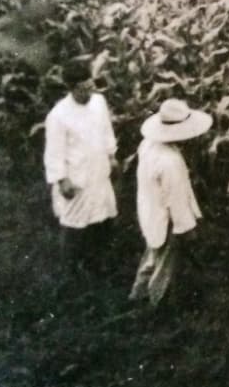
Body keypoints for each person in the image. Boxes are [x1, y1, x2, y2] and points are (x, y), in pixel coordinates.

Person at [129, 98, 213, 307]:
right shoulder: (169, 162)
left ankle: (137, 295)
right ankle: (156, 304)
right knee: (164, 266)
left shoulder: (148, 144)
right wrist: (185, 229)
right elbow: (176, 200)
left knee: (151, 256)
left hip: (150, 210)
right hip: (167, 219)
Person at [43, 61, 118, 270]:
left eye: (91, 86)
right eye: (84, 88)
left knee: (102, 216)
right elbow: (54, 152)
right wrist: (62, 180)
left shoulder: (99, 102)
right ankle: (70, 268)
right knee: (75, 221)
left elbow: (106, 130)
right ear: (72, 88)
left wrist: (112, 155)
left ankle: (97, 262)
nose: (89, 92)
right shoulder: (58, 115)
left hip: (99, 170)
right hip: (77, 176)